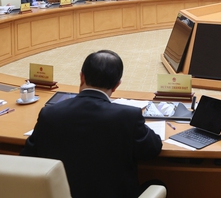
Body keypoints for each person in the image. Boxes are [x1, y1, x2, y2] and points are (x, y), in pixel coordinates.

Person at [21, 50, 163, 198]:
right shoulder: (128, 116)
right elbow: (153, 149)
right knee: (157, 184)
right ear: (116, 85)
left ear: (82, 77)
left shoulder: (49, 114)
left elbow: (27, 157)